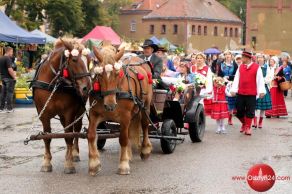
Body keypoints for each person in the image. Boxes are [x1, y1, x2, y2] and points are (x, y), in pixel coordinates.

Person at [230, 51, 266, 136]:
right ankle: (244, 124)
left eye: (243, 57)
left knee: (250, 111)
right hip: (241, 92)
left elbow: (260, 80)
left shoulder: (257, 67)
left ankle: (248, 127)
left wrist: (261, 91)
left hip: (251, 93)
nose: (241, 59)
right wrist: (233, 89)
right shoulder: (240, 67)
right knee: (239, 112)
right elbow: (236, 79)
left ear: (248, 58)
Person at [217, 50, 238, 125]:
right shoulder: (221, 64)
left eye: (229, 54)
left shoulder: (235, 64)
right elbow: (218, 74)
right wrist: (223, 78)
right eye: (226, 54)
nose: (228, 56)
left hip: (231, 84)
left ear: (231, 56)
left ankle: (230, 118)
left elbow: (237, 75)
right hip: (223, 84)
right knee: (223, 101)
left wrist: (230, 77)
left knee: (231, 102)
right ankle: (221, 117)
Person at [253, 53, 272, 128]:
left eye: (261, 58)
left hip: (264, 87)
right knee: (255, 106)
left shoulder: (267, 67)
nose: (260, 59)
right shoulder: (255, 66)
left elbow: (269, 77)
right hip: (256, 87)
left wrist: (262, 81)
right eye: (258, 58)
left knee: (263, 107)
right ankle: (254, 122)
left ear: (264, 59)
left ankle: (260, 122)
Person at [0, 47, 17, 113]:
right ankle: (9, 109)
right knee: (9, 93)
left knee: (3, 93)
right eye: (12, 52)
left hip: (3, 78)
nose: (12, 53)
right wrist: (14, 77)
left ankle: (1, 108)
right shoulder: (7, 58)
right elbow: (10, 69)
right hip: (9, 79)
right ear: (9, 51)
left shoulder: (1, 58)